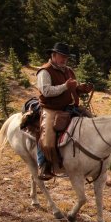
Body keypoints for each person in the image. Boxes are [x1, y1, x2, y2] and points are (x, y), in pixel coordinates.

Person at [35, 42, 93, 180]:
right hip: (51, 108)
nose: (64, 60)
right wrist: (65, 86)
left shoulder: (68, 70)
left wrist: (81, 89)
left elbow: (72, 88)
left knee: (92, 122)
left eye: (66, 57)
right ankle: (43, 164)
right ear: (53, 55)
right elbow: (46, 91)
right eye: (62, 56)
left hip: (69, 106)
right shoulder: (45, 71)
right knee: (48, 138)